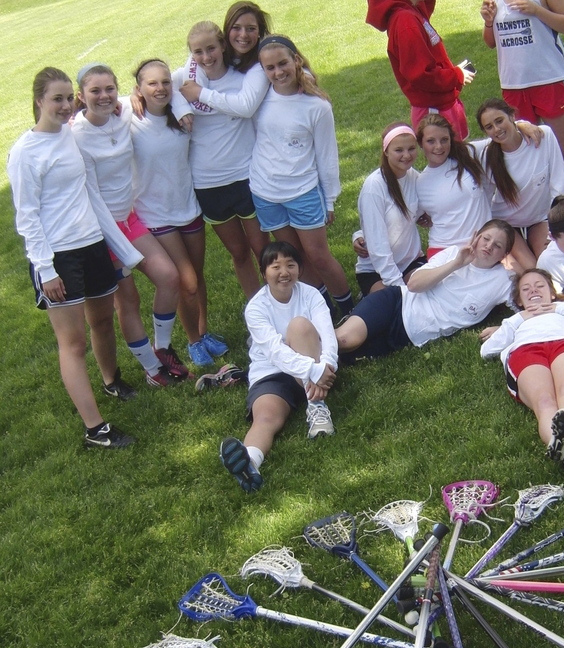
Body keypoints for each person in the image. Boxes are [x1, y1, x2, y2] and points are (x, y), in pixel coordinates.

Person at [7, 67, 136, 448]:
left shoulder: (70, 133)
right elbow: (27, 217)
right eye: (57, 99)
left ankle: (112, 380)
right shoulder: (25, 152)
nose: (66, 106)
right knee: (73, 342)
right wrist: (45, 269)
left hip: (92, 243)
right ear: (39, 102)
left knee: (102, 321)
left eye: (69, 99)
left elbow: (115, 105)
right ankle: (95, 429)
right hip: (58, 257)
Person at [73, 63, 190, 386]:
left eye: (109, 88)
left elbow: (174, 79)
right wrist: (120, 248)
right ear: (80, 96)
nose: (104, 96)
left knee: (169, 277)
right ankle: (153, 370)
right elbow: (91, 197)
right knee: (128, 300)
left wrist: (178, 106)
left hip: (130, 218)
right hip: (102, 231)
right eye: (94, 91)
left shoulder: (123, 113)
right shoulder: (76, 137)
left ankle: (163, 349)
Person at [247, 34, 354, 318]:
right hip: (265, 193)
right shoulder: (258, 98)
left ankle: (350, 310)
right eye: (269, 68)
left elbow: (327, 157)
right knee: (296, 259)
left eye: (283, 63)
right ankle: (326, 312)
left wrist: (329, 199)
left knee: (318, 255)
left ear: (296, 60)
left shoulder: (316, 106)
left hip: (303, 191)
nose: (278, 72)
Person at [219, 242, 338, 492]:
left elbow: (327, 335)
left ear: (299, 269)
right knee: (265, 418)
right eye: (276, 266)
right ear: (264, 273)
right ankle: (250, 463)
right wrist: (313, 371)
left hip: (312, 363)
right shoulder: (256, 308)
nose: (284, 272)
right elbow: (275, 352)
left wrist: (326, 365)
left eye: (290, 265)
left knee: (299, 326)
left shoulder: (311, 295)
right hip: (272, 373)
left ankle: (317, 408)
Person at [131, 58, 224, 368]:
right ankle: (193, 341)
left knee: (198, 276)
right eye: (151, 83)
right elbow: (99, 107)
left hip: (189, 208)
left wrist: (181, 102)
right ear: (139, 89)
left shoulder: (180, 114)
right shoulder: (130, 118)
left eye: (164, 82)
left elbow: (189, 81)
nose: (160, 88)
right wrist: (127, 99)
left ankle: (204, 332)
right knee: (188, 282)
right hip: (156, 216)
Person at [480, 267, 564, 469]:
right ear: (519, 300)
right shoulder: (516, 321)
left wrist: (559, 308)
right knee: (544, 400)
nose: (533, 290)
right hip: (526, 351)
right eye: (526, 289)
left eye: (540, 285)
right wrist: (518, 318)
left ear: (551, 292)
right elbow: (486, 350)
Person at [176, 20, 268, 301]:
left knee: (262, 250)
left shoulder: (242, 77)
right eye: (198, 51)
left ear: (223, 45)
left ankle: (281, 306)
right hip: (208, 182)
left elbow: (245, 107)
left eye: (211, 48)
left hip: (246, 176)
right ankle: (258, 313)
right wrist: (180, 106)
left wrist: (197, 98)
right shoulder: (183, 79)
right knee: (239, 253)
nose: (206, 57)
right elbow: (153, 88)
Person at [337, 219, 516, 361]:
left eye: (498, 245)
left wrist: (503, 327)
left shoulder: (502, 281)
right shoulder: (453, 253)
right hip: (396, 303)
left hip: (408, 336)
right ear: (476, 236)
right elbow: (414, 285)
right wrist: (456, 264)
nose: (489, 246)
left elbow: (533, 312)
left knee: (343, 356)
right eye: (486, 238)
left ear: (504, 255)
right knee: (344, 340)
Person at [475, 97, 564, 269]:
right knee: (531, 268)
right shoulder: (486, 154)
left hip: (539, 219)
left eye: (499, 121)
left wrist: (559, 223)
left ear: (512, 116)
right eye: (489, 127)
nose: (496, 129)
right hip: (506, 223)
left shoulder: (542, 136)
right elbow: (485, 198)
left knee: (551, 263)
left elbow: (559, 185)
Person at [480, 0, 564, 159]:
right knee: (527, 150)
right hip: (513, 83)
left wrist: (537, 11)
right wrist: (488, 22)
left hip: (549, 78)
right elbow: (491, 42)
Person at [366, 0, 475, 140]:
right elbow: (421, 75)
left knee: (461, 157)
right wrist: (456, 75)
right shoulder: (405, 21)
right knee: (450, 159)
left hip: (443, 104)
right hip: (434, 111)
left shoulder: (412, 11)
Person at [354, 123, 426, 295]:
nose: (406, 155)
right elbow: (378, 246)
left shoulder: (414, 177)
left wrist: (426, 216)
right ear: (386, 151)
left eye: (411, 148)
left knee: (434, 294)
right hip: (376, 271)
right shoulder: (374, 187)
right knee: (396, 308)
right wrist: (399, 287)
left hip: (411, 262)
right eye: (399, 150)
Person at [415, 114, 492, 257]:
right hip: (444, 250)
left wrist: (523, 126)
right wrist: (360, 235)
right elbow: (400, 217)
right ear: (421, 143)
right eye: (431, 141)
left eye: (444, 140)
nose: (439, 146)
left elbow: (499, 138)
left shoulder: (468, 154)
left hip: (483, 246)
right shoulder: (419, 183)